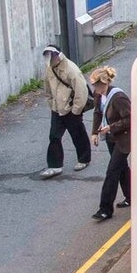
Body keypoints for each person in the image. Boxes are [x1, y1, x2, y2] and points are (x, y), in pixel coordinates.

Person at [41, 45, 92, 179]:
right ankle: (55, 165)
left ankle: (84, 159)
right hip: (57, 108)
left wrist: (76, 110)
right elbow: (47, 88)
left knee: (77, 134)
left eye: (53, 55)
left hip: (71, 108)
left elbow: (82, 91)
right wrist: (52, 103)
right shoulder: (49, 69)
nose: (51, 59)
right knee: (54, 136)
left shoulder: (71, 70)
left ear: (59, 55)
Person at [89, 66, 132, 221]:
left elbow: (130, 119)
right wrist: (94, 132)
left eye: (97, 85)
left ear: (105, 82)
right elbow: (97, 112)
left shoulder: (119, 98)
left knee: (112, 171)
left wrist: (111, 127)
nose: (95, 88)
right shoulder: (99, 95)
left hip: (124, 139)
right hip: (111, 137)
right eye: (93, 85)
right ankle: (131, 196)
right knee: (121, 168)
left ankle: (105, 209)